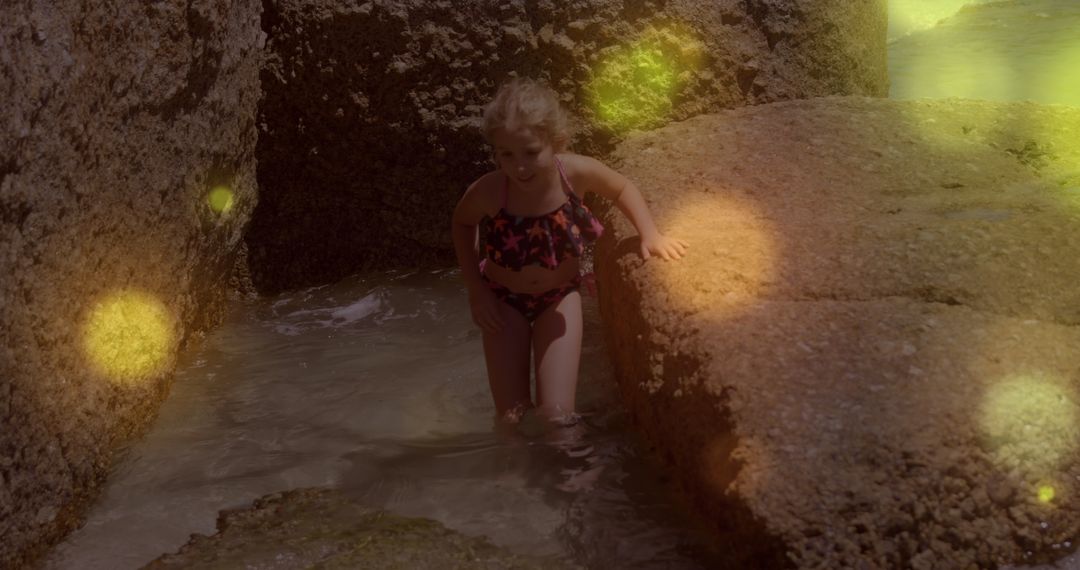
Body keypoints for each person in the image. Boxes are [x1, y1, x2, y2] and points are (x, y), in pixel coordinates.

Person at [451, 77, 689, 426]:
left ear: (556, 142)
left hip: (559, 299)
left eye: (531, 152)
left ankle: (572, 477)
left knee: (557, 416)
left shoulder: (574, 173)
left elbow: (621, 188)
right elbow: (461, 223)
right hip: (502, 301)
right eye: (506, 154)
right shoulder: (490, 190)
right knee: (510, 416)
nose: (519, 166)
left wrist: (650, 234)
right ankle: (513, 476)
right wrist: (477, 291)